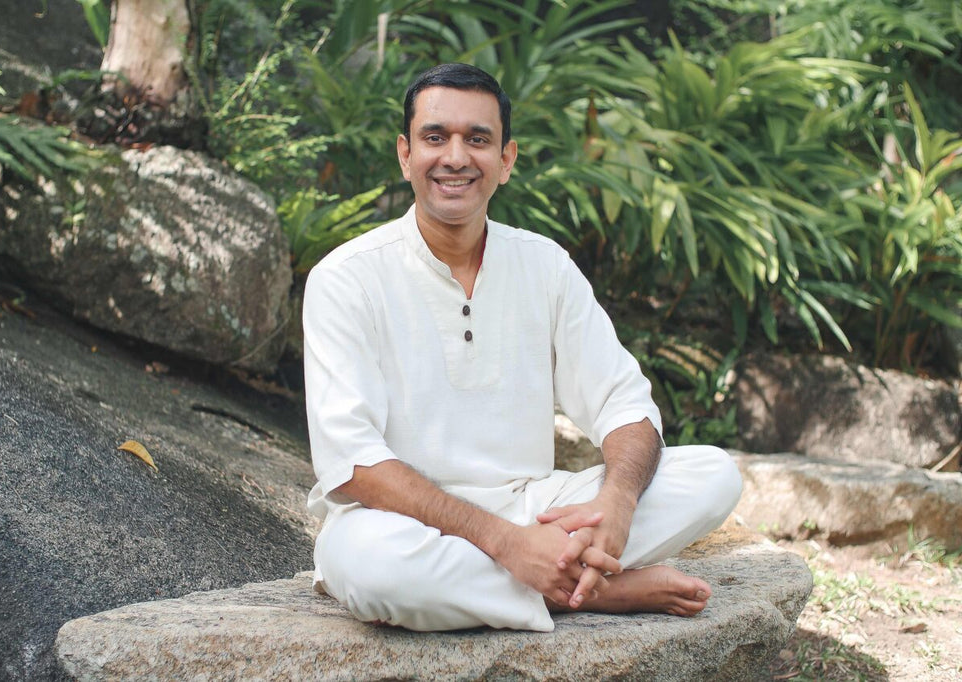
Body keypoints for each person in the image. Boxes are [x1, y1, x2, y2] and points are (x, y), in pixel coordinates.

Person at [302, 63, 742, 632]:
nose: (456, 157)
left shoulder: (545, 265)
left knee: (713, 475)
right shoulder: (346, 278)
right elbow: (353, 465)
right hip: (401, 521)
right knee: (365, 565)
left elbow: (625, 405)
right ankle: (597, 593)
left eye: (477, 139)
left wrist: (618, 504)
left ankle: (534, 580)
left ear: (505, 161)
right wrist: (506, 543)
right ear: (406, 155)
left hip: (536, 506)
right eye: (436, 137)